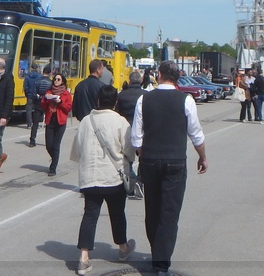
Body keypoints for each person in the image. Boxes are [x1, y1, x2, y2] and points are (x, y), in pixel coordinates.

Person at [132, 61, 207, 276]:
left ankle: (157, 251)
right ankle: (161, 263)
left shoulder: (144, 99)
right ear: (177, 77)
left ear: (159, 75)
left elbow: (136, 137)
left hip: (150, 159)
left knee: (152, 210)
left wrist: (143, 154)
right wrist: (202, 157)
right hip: (175, 161)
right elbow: (196, 135)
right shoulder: (186, 100)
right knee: (169, 212)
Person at [70, 84, 137, 276]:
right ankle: (123, 248)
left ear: (98, 100)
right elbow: (129, 151)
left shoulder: (86, 121)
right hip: (113, 177)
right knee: (117, 213)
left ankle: (83, 258)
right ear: (115, 102)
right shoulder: (121, 122)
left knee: (90, 215)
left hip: (90, 177)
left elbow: (77, 151)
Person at [42, 72, 72, 176]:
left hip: (60, 122)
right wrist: (46, 99)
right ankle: (55, 158)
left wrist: (60, 102)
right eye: (55, 79)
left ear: (62, 81)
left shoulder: (66, 94)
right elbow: (43, 106)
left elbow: (68, 108)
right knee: (49, 145)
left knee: (56, 145)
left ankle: (53, 168)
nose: (56, 81)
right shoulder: (49, 91)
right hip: (50, 120)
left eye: (58, 79)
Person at [23, 62, 43, 148]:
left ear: (31, 68)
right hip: (37, 96)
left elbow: (25, 87)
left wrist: (27, 94)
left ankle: (29, 124)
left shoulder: (27, 77)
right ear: (37, 68)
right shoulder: (40, 76)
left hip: (30, 96)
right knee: (38, 110)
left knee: (29, 109)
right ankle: (37, 122)